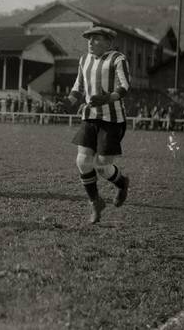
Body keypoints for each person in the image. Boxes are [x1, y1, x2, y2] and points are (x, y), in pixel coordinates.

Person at [61, 26, 131, 224]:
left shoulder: (118, 58)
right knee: (82, 162)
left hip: (112, 119)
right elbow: (78, 88)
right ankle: (95, 202)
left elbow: (125, 86)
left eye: (96, 39)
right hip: (90, 116)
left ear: (108, 42)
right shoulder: (84, 60)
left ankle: (122, 182)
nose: (90, 42)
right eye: (89, 39)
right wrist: (68, 102)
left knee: (102, 165)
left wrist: (108, 98)